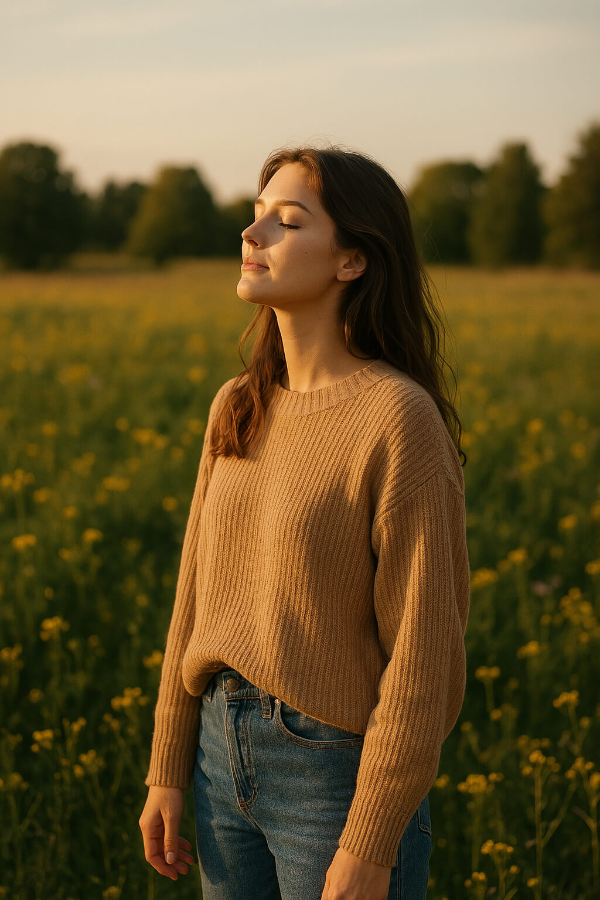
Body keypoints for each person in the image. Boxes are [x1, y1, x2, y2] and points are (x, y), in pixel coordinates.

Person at [139, 144, 471, 900]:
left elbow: (425, 655)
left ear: (352, 261)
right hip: (219, 763)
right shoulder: (238, 403)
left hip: (333, 777)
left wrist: (371, 837)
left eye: (285, 222)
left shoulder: (398, 418)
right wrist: (169, 767)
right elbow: (194, 600)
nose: (252, 236)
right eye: (256, 218)